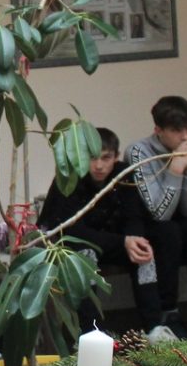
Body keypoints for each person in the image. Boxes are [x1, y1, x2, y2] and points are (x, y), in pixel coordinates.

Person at [35, 127, 167, 329]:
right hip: (74, 246)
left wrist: (134, 239)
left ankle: (154, 327)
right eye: (92, 158)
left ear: (116, 156)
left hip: (113, 242)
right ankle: (93, 330)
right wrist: (123, 241)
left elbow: (134, 216)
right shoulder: (69, 177)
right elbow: (70, 230)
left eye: (106, 158)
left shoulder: (124, 174)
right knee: (85, 256)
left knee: (143, 252)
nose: (99, 165)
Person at [124, 96, 187, 335]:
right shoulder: (139, 152)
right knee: (169, 231)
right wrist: (176, 169)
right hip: (150, 224)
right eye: (177, 131)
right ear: (158, 131)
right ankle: (169, 312)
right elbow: (160, 213)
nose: (186, 137)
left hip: (181, 221)